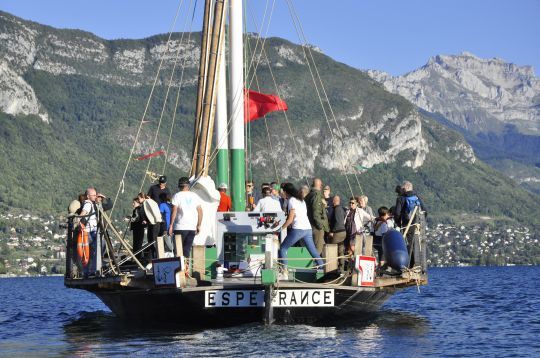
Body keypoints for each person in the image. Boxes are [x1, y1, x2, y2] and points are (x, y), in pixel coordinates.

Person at [279, 183, 324, 279]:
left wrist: (280, 228)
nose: (282, 193)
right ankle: (323, 269)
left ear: (286, 192)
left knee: (283, 248)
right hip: (307, 229)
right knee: (313, 252)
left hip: (298, 229)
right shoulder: (301, 200)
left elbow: (290, 219)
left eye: (283, 191)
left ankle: (284, 273)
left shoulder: (291, 200)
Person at [394, 181, 427, 267]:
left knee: (407, 245)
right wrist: (421, 222)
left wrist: (398, 223)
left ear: (404, 189)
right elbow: (425, 211)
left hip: (406, 225)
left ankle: (408, 265)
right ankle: (418, 265)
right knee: (417, 245)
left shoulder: (401, 198)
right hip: (418, 225)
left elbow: (397, 213)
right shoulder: (417, 197)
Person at [169, 177, 203, 258]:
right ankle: (186, 269)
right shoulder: (195, 196)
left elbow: (174, 211)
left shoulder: (177, 196)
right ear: (188, 185)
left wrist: (170, 225)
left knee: (178, 251)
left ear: (179, 186)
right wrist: (199, 225)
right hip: (191, 227)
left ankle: (180, 269)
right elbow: (200, 211)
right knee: (187, 250)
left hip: (180, 227)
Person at [79, 187, 100, 278]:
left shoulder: (91, 203)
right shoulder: (88, 204)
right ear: (88, 196)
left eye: (96, 195)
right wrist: (79, 220)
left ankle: (88, 271)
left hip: (91, 231)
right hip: (91, 231)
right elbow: (83, 213)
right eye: (94, 195)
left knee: (90, 252)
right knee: (97, 248)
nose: (95, 196)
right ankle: (93, 269)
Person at [305, 178, 329, 255]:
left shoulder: (309, 195)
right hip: (316, 226)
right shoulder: (317, 195)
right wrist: (320, 226)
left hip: (310, 224)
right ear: (320, 186)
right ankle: (317, 265)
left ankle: (317, 264)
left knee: (315, 247)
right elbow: (316, 212)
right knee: (318, 249)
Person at [328, 195, 347, 271]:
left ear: (335, 201)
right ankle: (341, 268)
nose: (332, 202)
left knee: (333, 250)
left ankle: (332, 268)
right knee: (341, 251)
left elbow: (337, 221)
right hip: (343, 231)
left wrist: (332, 231)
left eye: (333, 200)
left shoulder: (336, 209)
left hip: (337, 232)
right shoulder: (343, 209)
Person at [130, 195, 147, 262]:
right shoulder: (140, 209)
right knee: (138, 243)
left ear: (138, 203)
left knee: (137, 244)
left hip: (137, 228)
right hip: (140, 228)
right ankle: (138, 257)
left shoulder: (137, 210)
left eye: (134, 203)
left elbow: (136, 218)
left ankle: (137, 258)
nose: (133, 204)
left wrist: (130, 219)